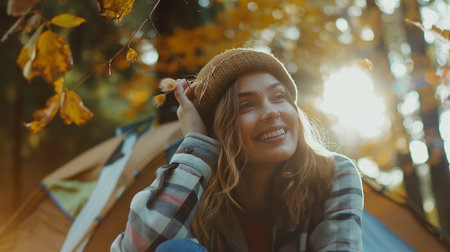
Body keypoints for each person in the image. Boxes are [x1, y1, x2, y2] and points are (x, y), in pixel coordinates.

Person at [111, 48, 364, 252]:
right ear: (218, 129)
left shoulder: (333, 174)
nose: (272, 112)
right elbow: (139, 247)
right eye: (246, 106)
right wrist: (197, 142)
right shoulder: (194, 195)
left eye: (278, 97)